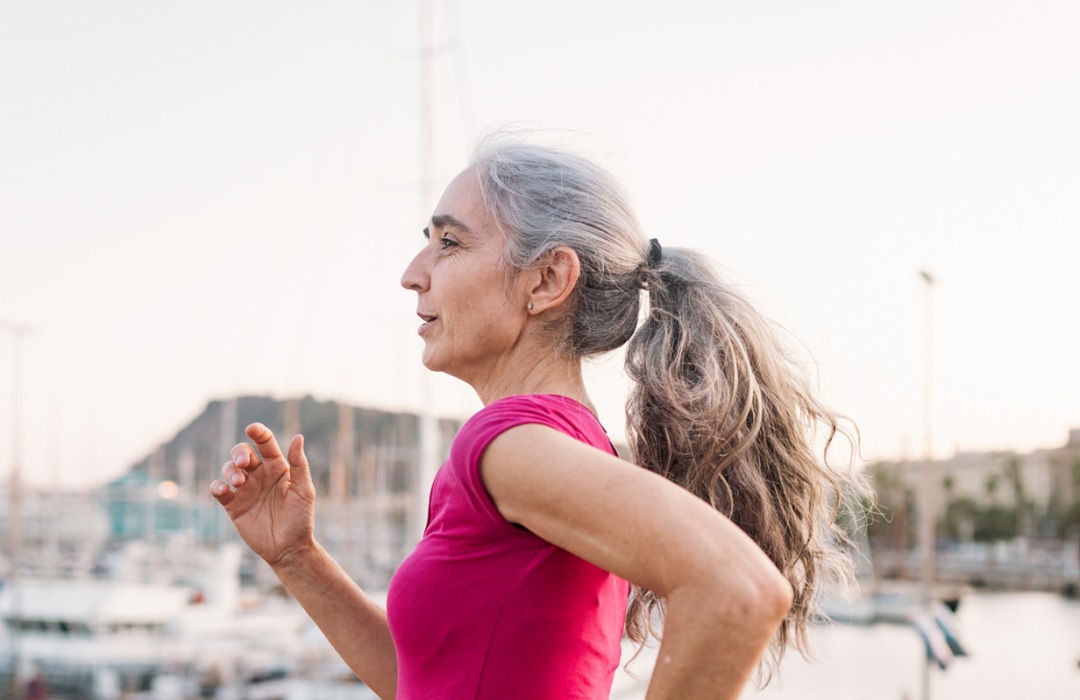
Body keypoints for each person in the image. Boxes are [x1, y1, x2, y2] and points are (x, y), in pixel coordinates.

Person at [210, 136, 865, 699]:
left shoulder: (507, 446)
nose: (414, 274)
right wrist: (297, 557)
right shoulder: (554, 448)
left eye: (449, 242)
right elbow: (430, 683)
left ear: (547, 280)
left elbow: (739, 587)